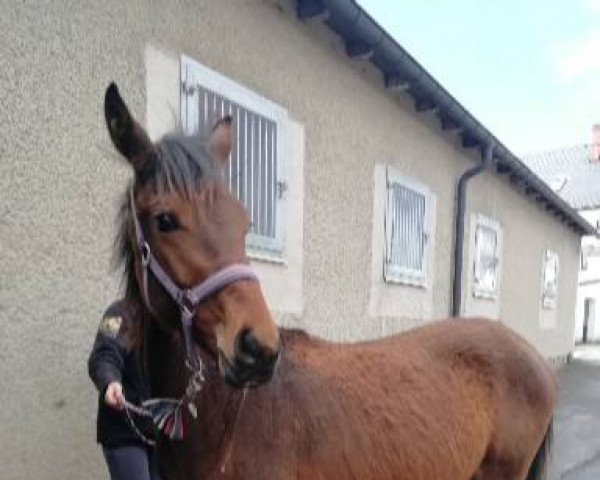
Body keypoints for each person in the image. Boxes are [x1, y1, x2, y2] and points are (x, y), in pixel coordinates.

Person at [88, 299, 160, 480]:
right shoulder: (119, 314)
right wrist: (110, 382)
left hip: (165, 435)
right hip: (124, 430)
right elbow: (103, 356)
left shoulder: (176, 319)